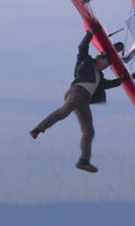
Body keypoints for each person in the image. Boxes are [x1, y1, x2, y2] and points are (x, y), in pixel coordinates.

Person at [29, 30, 123, 173]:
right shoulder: (85, 62)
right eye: (105, 61)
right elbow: (82, 47)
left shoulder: (99, 77)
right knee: (64, 112)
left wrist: (123, 80)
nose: (106, 65)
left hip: (84, 100)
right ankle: (37, 129)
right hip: (76, 92)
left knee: (88, 131)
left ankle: (83, 161)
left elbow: (108, 84)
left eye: (107, 64)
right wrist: (91, 33)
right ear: (98, 58)